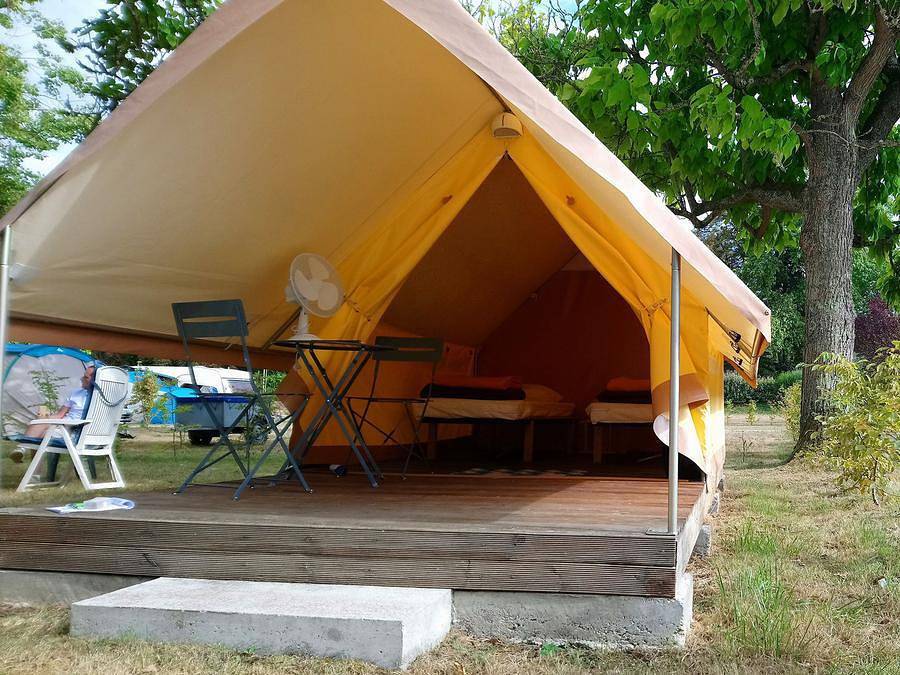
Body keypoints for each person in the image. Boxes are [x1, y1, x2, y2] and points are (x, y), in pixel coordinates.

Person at [9, 364, 96, 464]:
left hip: (76, 431)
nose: (81, 379)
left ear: (95, 381)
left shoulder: (98, 399)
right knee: (41, 421)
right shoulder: (76, 393)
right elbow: (60, 415)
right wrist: (45, 418)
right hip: (62, 425)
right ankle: (24, 454)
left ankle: (22, 450)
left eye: (86, 377)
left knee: (42, 434)